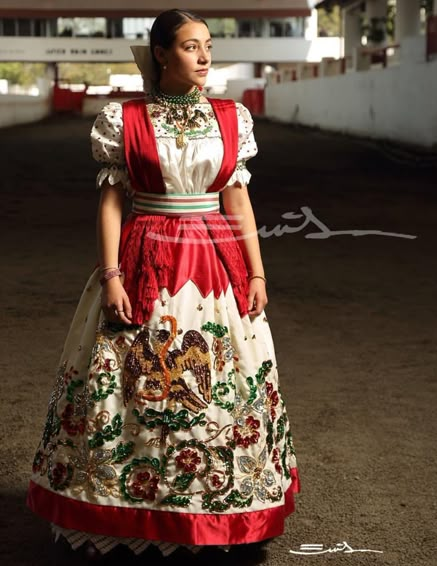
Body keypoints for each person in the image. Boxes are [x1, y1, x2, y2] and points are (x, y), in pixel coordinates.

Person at [26, 8, 300, 560]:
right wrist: (111, 276)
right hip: (145, 252)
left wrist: (257, 271)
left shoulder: (231, 118)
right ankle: (128, 511)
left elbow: (237, 199)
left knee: (221, 378)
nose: (204, 56)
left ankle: (220, 510)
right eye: (190, 46)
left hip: (213, 259)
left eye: (207, 46)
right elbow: (110, 204)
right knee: (130, 380)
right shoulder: (123, 119)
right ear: (161, 53)